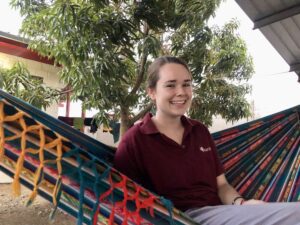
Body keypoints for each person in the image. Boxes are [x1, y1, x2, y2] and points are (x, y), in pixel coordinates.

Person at [114, 56, 300, 225]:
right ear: (152, 92)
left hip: (219, 213)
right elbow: (122, 200)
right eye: (170, 85)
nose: (181, 92)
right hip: (176, 218)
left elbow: (222, 185)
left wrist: (242, 203)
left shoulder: (199, 131)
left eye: (186, 84)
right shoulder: (135, 140)